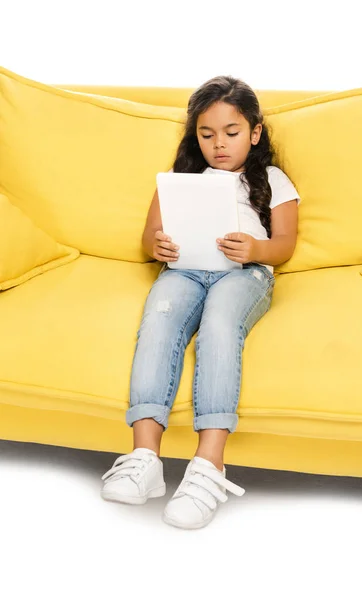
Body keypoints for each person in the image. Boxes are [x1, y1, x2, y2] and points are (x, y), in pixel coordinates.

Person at [100, 75, 301, 530]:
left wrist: (256, 249)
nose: (219, 144)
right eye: (207, 135)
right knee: (159, 320)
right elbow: (151, 237)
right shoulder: (180, 179)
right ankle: (143, 457)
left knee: (218, 326)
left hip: (245, 274)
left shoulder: (271, 178)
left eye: (231, 133)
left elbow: (285, 244)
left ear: (254, 132)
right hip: (186, 269)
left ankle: (209, 465)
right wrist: (160, 247)